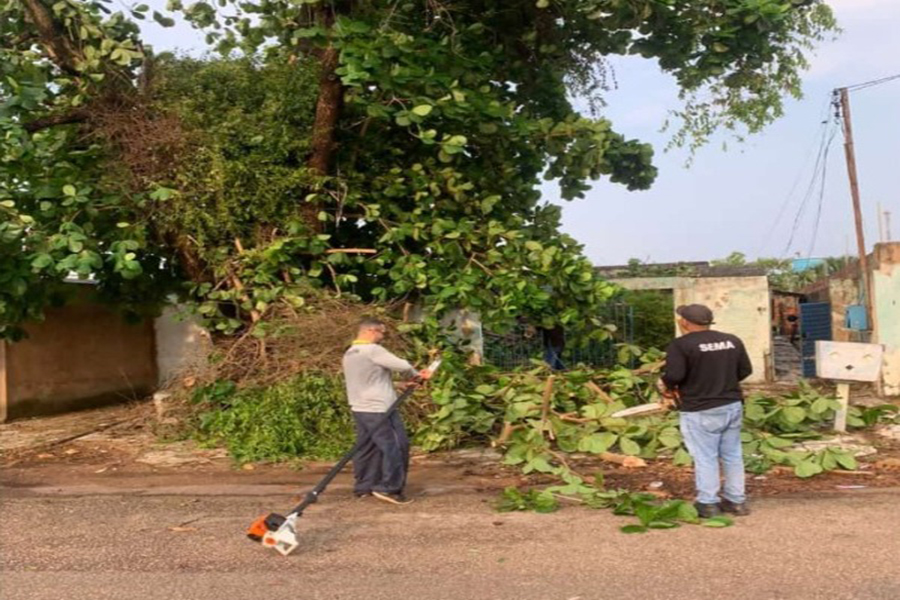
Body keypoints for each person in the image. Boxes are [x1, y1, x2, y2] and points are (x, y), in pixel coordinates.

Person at [658, 304, 753, 518]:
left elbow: (674, 375)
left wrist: (666, 385)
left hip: (700, 409)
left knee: (705, 457)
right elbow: (746, 370)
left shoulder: (680, 345)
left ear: (684, 322)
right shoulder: (732, 340)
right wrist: (722, 383)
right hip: (731, 405)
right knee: (732, 455)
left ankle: (708, 503)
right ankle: (736, 501)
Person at [342, 317, 431, 505]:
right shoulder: (373, 350)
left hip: (360, 407)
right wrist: (416, 376)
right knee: (397, 446)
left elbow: (369, 380)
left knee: (368, 447)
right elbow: (404, 366)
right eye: (382, 332)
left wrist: (399, 384)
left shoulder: (351, 352)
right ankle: (389, 488)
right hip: (379, 409)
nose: (383, 336)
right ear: (371, 331)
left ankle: (364, 486)